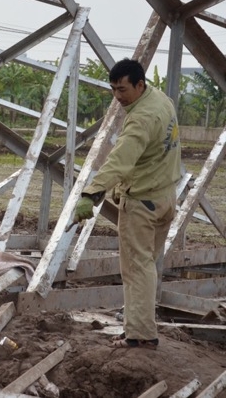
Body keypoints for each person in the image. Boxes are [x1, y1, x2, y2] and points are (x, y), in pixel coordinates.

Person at [73, 58, 181, 350]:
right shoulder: (162, 100)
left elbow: (119, 161)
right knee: (145, 266)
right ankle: (137, 328)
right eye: (113, 89)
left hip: (142, 203)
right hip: (165, 198)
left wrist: (91, 193)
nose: (117, 97)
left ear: (139, 85)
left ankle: (141, 336)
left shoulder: (141, 119)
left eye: (122, 89)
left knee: (136, 269)